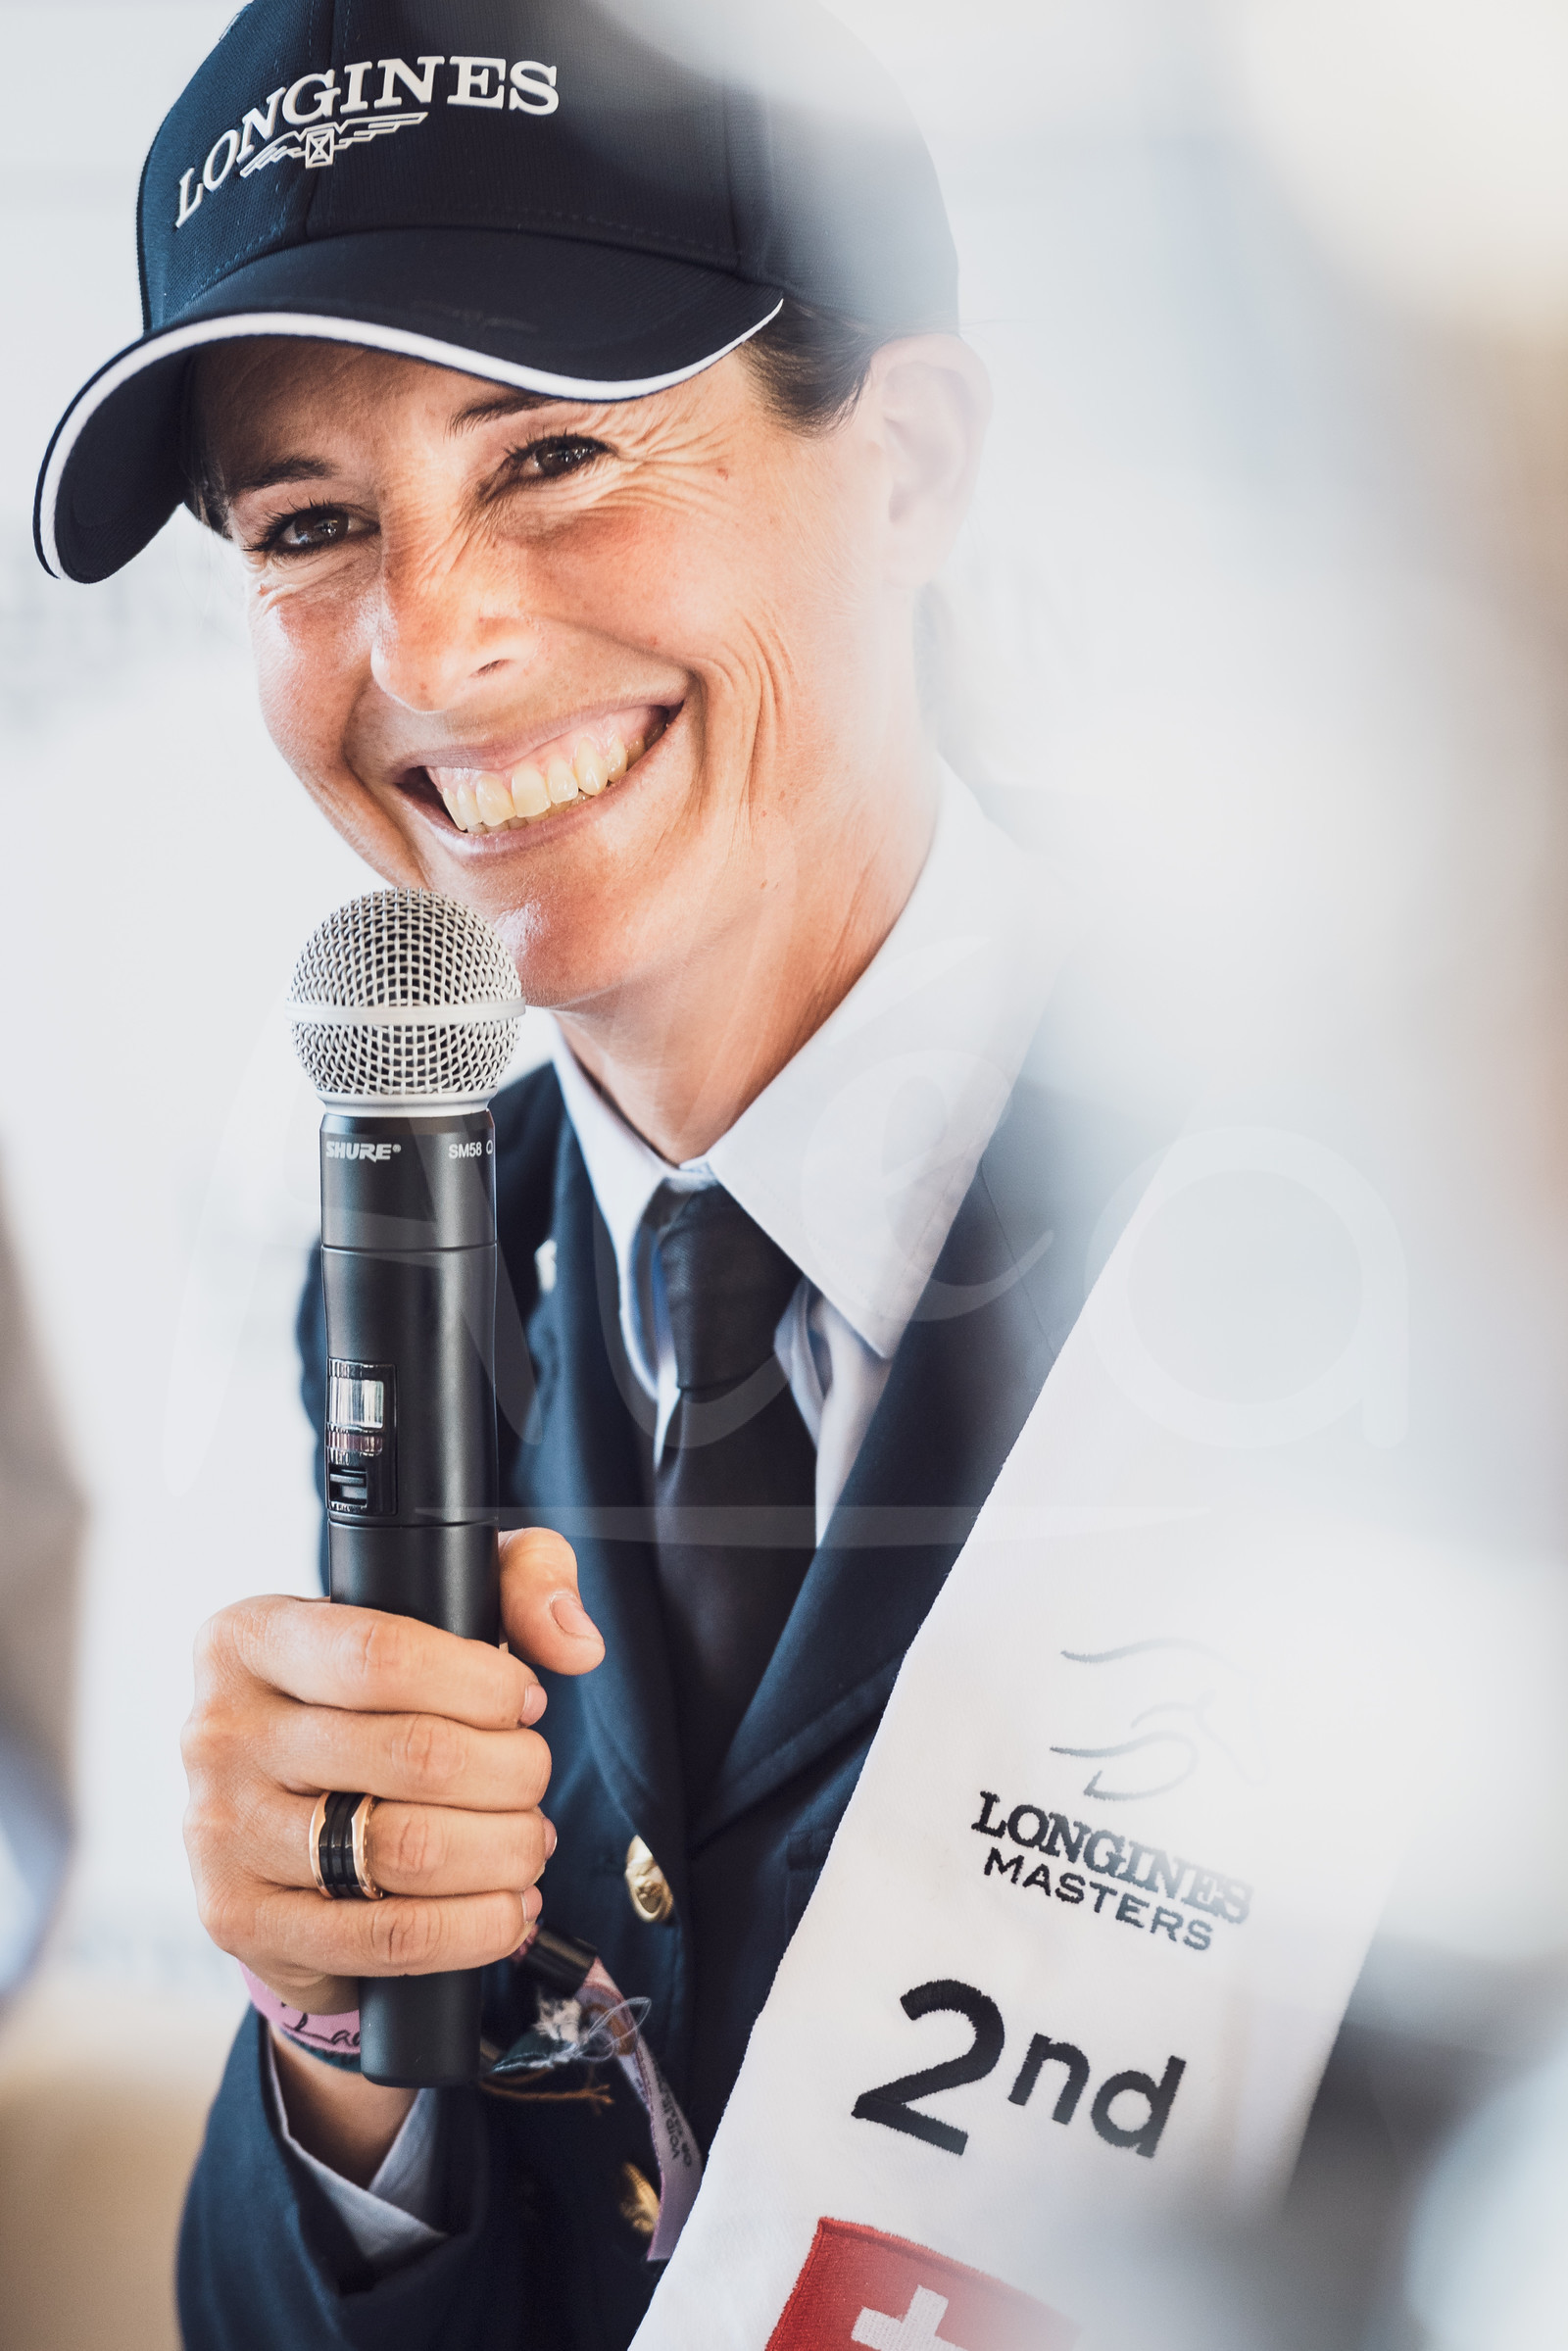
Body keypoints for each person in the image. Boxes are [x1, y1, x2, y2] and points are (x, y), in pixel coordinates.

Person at [38, 3, 1447, 2346]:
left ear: (907, 464)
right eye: (309, 526)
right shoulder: (419, 1259)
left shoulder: (1374, 1185)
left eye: (554, 452)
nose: (433, 641)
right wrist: (344, 2044)